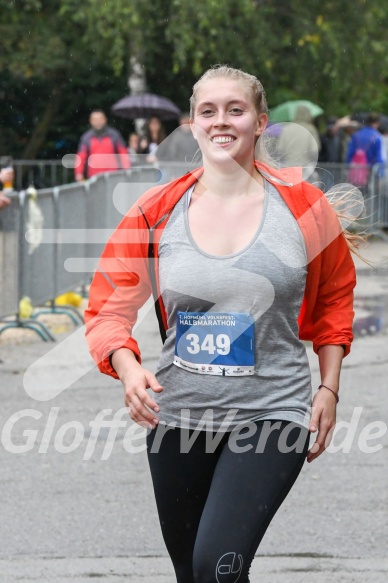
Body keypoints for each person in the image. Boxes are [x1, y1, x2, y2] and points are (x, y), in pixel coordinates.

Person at [85, 65, 358, 583]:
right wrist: (127, 367)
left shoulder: (304, 209)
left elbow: (334, 301)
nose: (221, 121)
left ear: (259, 122)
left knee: (218, 569)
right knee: (193, 573)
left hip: (273, 411)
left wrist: (329, 387)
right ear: (192, 124)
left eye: (235, 109)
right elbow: (108, 307)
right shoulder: (155, 210)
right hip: (179, 415)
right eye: (208, 112)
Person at [74, 110, 130, 181]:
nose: (98, 122)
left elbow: (123, 153)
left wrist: (126, 168)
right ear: (91, 121)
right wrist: (78, 173)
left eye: (100, 119)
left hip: (112, 175)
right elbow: (81, 156)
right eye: (95, 120)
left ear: (105, 120)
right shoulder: (86, 137)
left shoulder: (114, 135)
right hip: (94, 176)